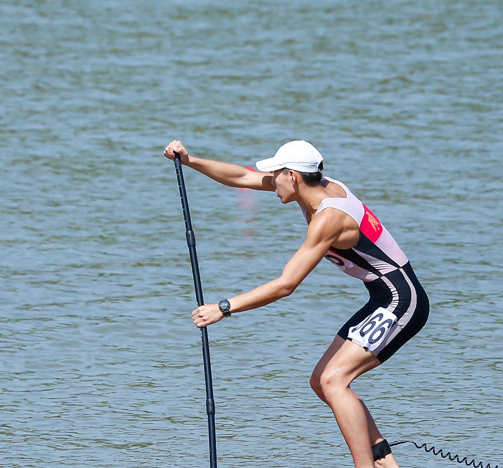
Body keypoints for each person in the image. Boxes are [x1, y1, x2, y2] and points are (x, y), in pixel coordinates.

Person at [163, 139, 429, 468]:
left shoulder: (329, 219)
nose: (271, 182)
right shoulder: (315, 187)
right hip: (382, 297)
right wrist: (190, 160)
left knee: (334, 381)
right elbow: (242, 177)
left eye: (276, 175)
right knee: (321, 381)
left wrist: (223, 307)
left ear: (292, 176)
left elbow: (286, 284)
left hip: (402, 301)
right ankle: (383, 460)